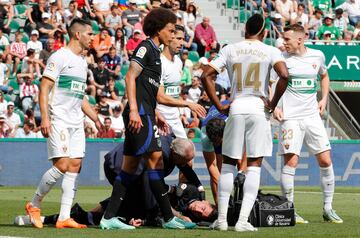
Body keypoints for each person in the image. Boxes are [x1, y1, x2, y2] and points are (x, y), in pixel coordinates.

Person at [99, 8, 205, 230]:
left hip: (148, 112)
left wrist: (184, 103)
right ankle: (167, 218)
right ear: (158, 29)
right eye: (169, 29)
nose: (172, 33)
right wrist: (136, 111)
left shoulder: (156, 55)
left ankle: (109, 218)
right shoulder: (145, 48)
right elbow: (130, 77)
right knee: (155, 162)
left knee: (130, 168)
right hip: (140, 114)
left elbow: (158, 95)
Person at [201, 14, 289, 232]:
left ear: (245, 29)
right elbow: (284, 76)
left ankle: (222, 220)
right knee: (254, 166)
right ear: (264, 32)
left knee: (229, 164)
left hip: (236, 106)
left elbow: (205, 76)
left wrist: (220, 106)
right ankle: (241, 221)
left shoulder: (231, 49)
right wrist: (272, 103)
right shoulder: (270, 50)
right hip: (258, 109)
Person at [25, 18, 103, 229]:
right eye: (89, 34)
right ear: (77, 34)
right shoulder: (59, 57)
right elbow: (44, 88)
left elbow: (79, 96)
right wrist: (45, 118)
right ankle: (34, 204)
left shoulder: (82, 61)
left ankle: (64, 217)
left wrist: (94, 117)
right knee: (61, 165)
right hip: (58, 118)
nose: (92, 38)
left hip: (76, 121)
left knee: (75, 166)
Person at [273, 24, 343, 224]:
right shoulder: (281, 60)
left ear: (300, 40)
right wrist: (275, 106)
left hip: (312, 117)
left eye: (287, 39)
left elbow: (324, 75)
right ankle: (289, 209)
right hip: (290, 118)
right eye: (283, 39)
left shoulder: (317, 56)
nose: (283, 43)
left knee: (325, 160)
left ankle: (328, 208)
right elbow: (271, 83)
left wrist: (324, 99)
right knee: (291, 162)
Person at [157, 24, 202, 138]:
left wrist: (181, 114)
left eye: (183, 39)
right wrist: (188, 104)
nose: (182, 43)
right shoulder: (159, 62)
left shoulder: (178, 61)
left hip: (175, 118)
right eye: (179, 39)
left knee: (187, 153)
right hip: (160, 119)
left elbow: (176, 92)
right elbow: (160, 97)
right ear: (169, 37)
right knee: (159, 155)